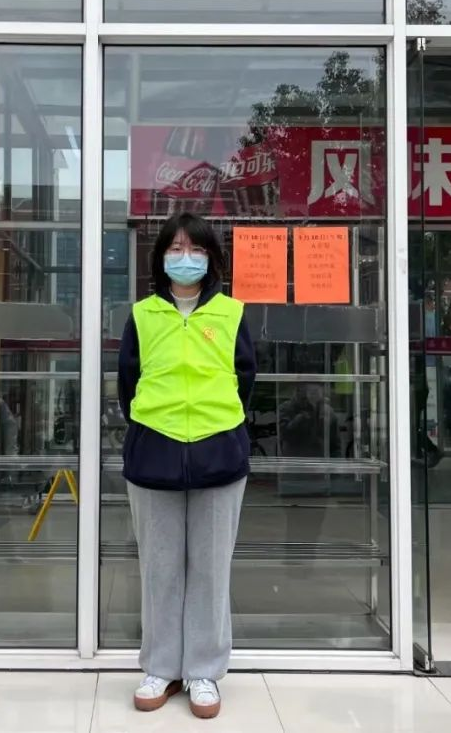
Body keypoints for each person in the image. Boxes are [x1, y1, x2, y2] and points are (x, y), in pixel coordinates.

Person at [117, 213, 256, 720]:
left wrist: (218, 428)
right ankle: (160, 668)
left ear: (211, 258)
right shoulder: (142, 315)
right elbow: (127, 384)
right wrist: (155, 425)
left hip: (219, 454)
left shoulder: (232, 314)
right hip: (154, 452)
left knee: (211, 569)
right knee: (159, 568)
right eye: (175, 248)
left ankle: (203, 671)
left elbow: (245, 381)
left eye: (195, 249)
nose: (185, 257)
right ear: (160, 259)